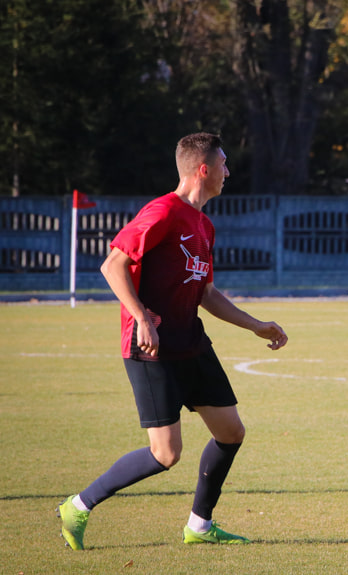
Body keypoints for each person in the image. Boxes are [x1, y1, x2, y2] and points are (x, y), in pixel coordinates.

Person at [56, 133, 289, 550]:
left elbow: (207, 294)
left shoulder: (204, 224)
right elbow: (113, 265)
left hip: (191, 343)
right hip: (151, 349)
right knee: (166, 454)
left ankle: (199, 527)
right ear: (204, 169)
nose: (228, 171)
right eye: (223, 164)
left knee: (231, 431)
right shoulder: (162, 212)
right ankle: (78, 505)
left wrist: (255, 325)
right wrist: (142, 317)